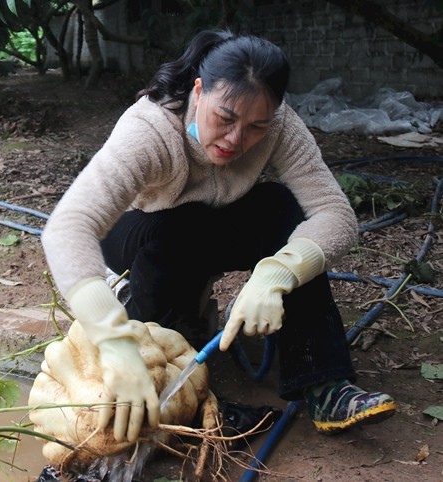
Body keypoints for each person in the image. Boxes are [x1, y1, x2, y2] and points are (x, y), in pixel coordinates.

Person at [40, 29, 396, 444]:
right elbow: (67, 226)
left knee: (283, 208)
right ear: (198, 91)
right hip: (141, 233)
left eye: (256, 126)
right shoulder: (151, 128)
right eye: (224, 118)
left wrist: (278, 273)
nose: (235, 140)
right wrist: (113, 340)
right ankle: (178, 385)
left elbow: (335, 212)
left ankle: (325, 383)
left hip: (211, 226)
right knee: (179, 227)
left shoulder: (281, 125)